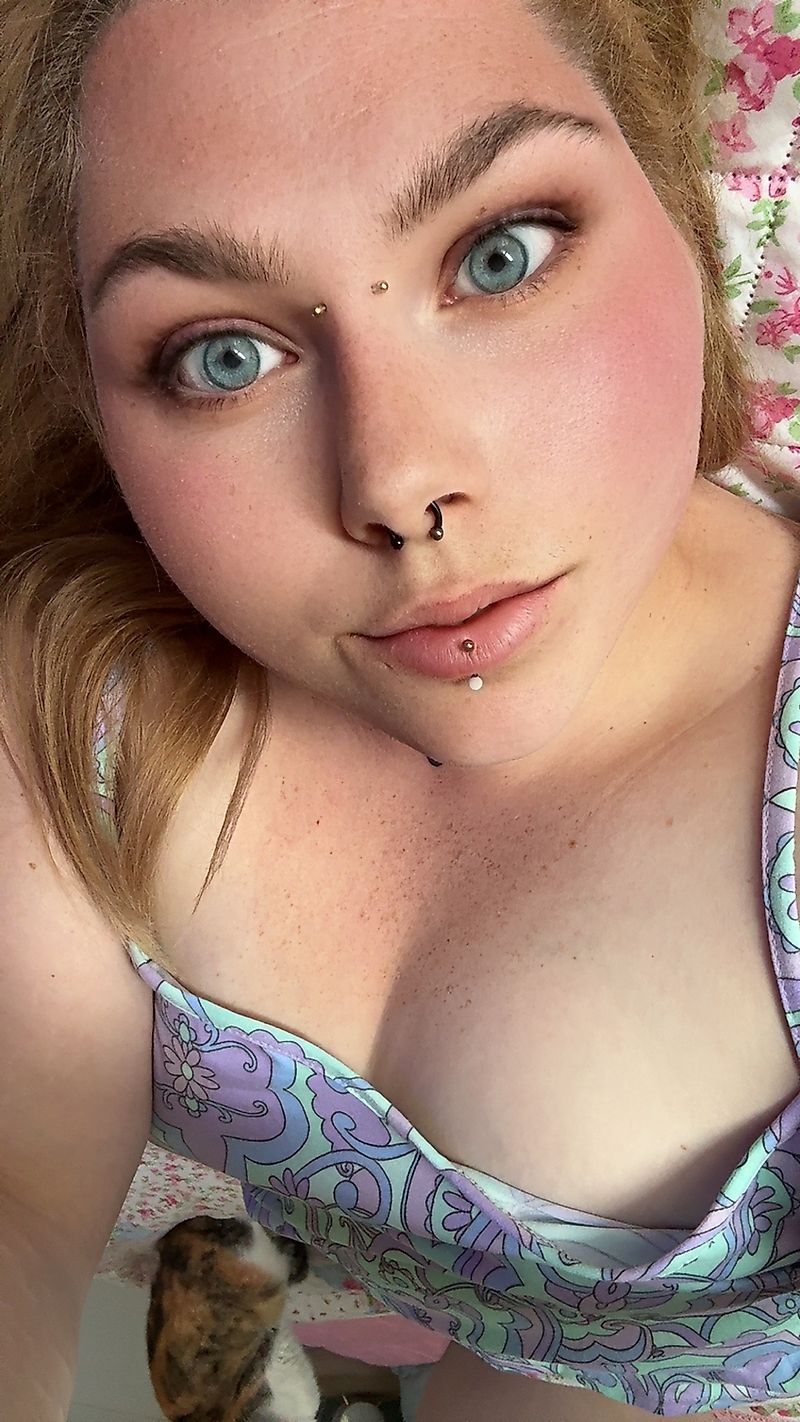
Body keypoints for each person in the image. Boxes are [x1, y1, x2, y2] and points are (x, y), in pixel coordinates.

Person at [2, 0, 799, 1417]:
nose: (394, 482)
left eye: (503, 254)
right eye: (222, 355)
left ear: (674, 197)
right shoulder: (76, 684)